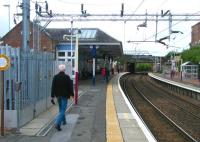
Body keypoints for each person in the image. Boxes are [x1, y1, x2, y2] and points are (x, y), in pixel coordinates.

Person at [51, 64, 74, 131]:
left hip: (58, 96)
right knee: (63, 110)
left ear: (59, 69)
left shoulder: (55, 77)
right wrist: (72, 94)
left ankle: (64, 121)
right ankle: (57, 123)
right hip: (64, 96)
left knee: (61, 109)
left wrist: (52, 96)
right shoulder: (67, 77)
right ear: (64, 70)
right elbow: (70, 87)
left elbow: (53, 87)